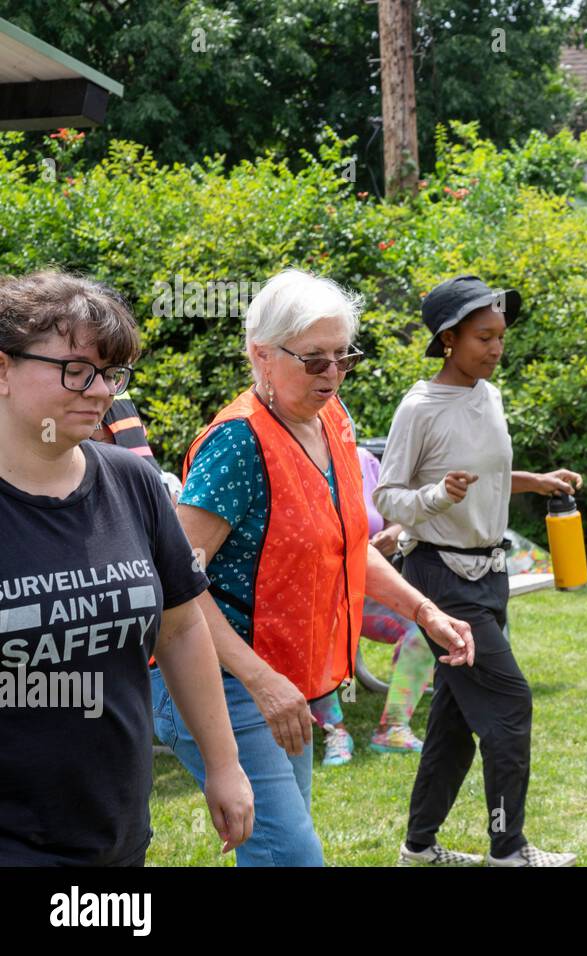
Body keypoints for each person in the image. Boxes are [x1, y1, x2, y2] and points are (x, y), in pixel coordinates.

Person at [163, 269, 474, 866]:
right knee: (293, 855)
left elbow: (346, 544)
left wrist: (423, 611)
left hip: (284, 680)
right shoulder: (236, 444)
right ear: (262, 355)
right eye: (314, 360)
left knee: (280, 852)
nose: (332, 375)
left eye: (343, 357)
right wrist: (260, 679)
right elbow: (179, 580)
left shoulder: (332, 420)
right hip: (219, 679)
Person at [0, 270, 252, 865]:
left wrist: (224, 764)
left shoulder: (130, 481)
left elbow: (182, 627)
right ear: (2, 368)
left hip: (116, 832)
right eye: (76, 369)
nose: (99, 391)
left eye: (111, 373)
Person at [376, 274, 582, 867]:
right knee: (510, 703)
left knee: (453, 717)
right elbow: (390, 497)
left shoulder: (487, 395)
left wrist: (533, 481)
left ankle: (418, 846)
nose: (496, 348)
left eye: (499, 336)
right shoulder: (420, 407)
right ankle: (509, 848)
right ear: (448, 339)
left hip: (489, 576)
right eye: (483, 338)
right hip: (441, 577)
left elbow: (483, 472)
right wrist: (437, 497)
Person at [310, 445, 437, 766]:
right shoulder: (294, 460)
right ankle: (335, 732)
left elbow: (397, 518)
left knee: (421, 630)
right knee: (316, 639)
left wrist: (392, 534)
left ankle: (394, 727)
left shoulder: (364, 460)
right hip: (315, 596)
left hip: (366, 593)